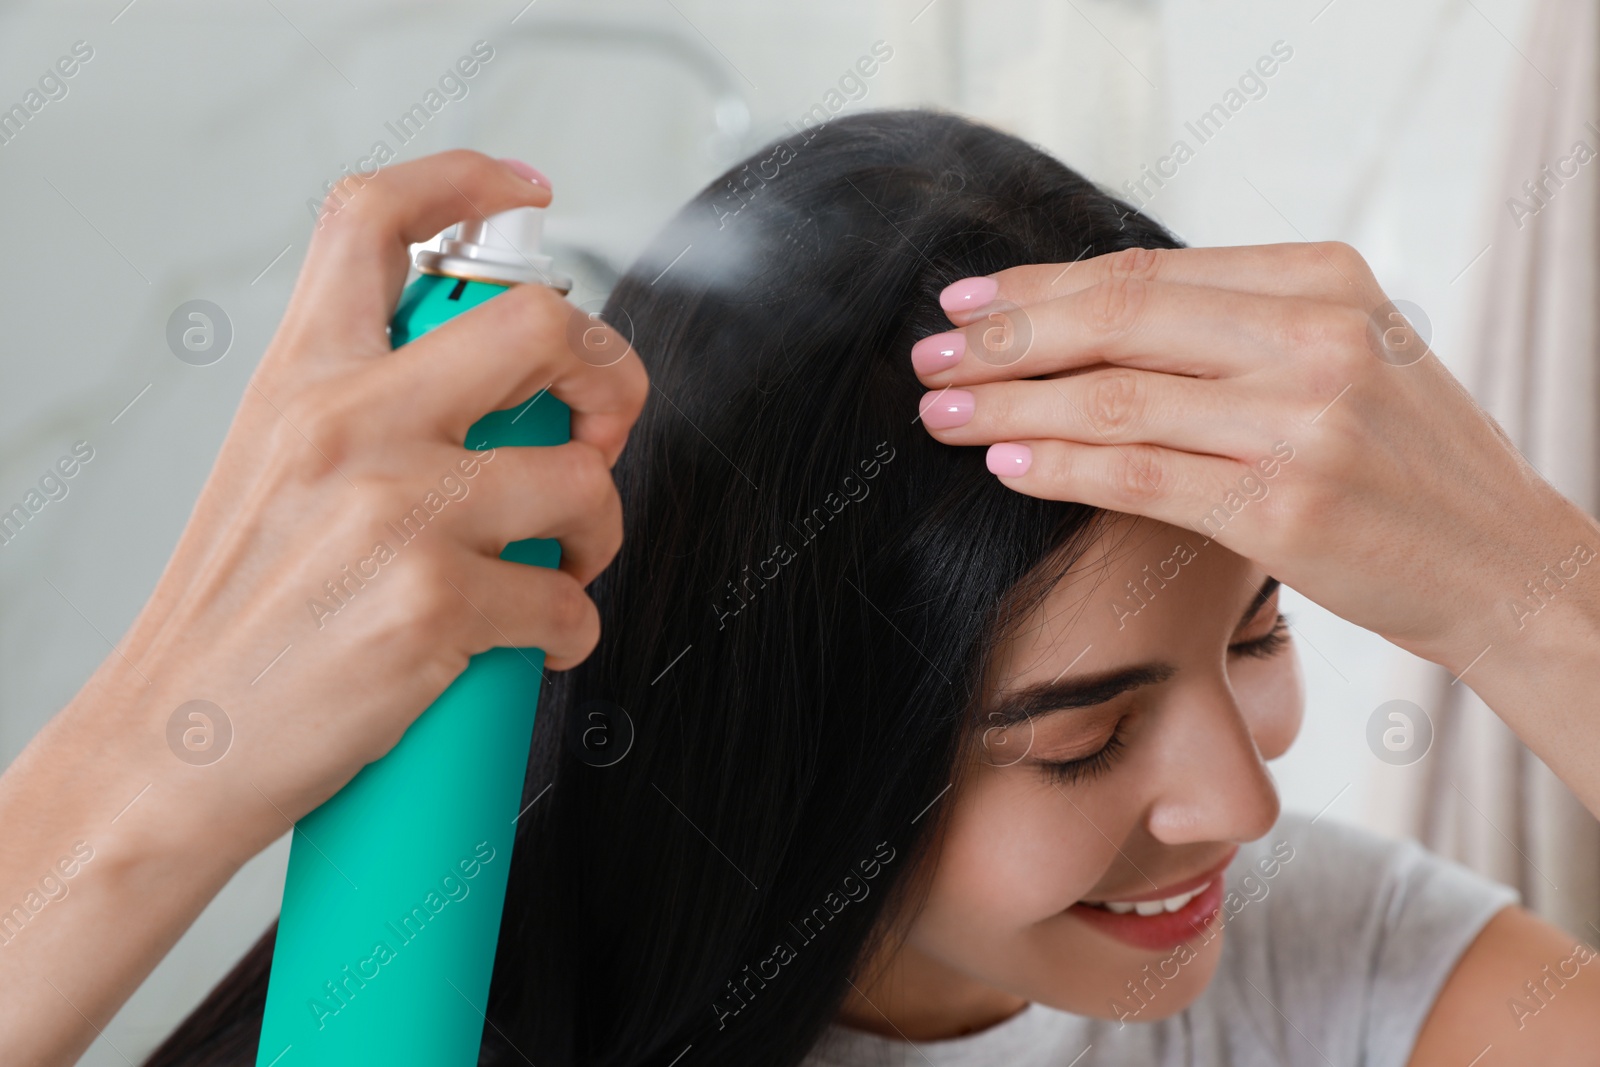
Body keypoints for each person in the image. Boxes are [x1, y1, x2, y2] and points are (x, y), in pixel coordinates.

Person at [7, 110, 1600, 1067]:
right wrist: (150, 773)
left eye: (1256, 632)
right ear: (802, 743)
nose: (1241, 809)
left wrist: (1537, 598)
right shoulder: (428, 1001)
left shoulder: (1343, 969)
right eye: (1078, 739)